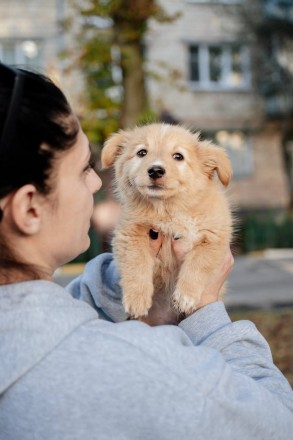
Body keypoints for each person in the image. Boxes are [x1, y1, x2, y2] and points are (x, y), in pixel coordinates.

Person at [0, 62, 292, 440]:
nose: (95, 183)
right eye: (83, 169)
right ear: (29, 208)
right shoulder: (147, 371)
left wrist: (116, 286)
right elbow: (279, 422)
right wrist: (206, 312)